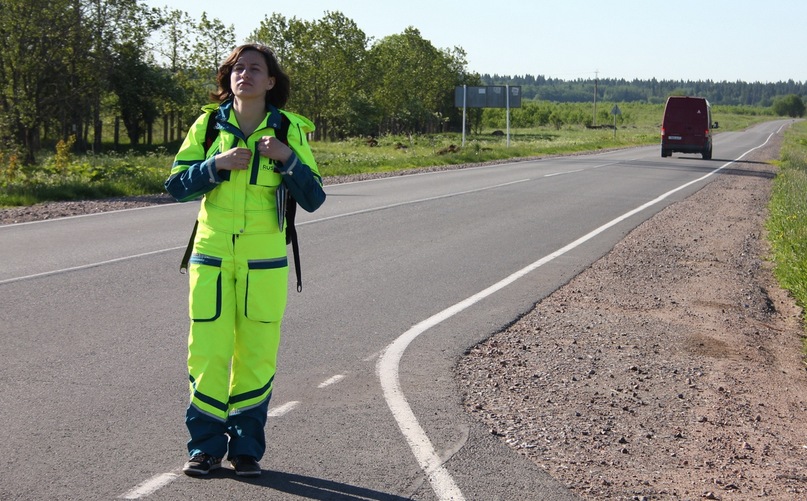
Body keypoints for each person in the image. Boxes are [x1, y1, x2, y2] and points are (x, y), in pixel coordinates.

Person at [165, 44, 326, 477]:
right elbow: (176, 185)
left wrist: (287, 159)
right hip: (212, 257)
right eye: (239, 68)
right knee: (207, 354)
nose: (246, 75)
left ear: (271, 82)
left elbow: (314, 197)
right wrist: (213, 165)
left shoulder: (289, 130)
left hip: (265, 263)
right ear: (228, 77)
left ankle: (247, 451)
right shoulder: (207, 125)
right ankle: (204, 449)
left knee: (256, 356)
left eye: (256, 69)